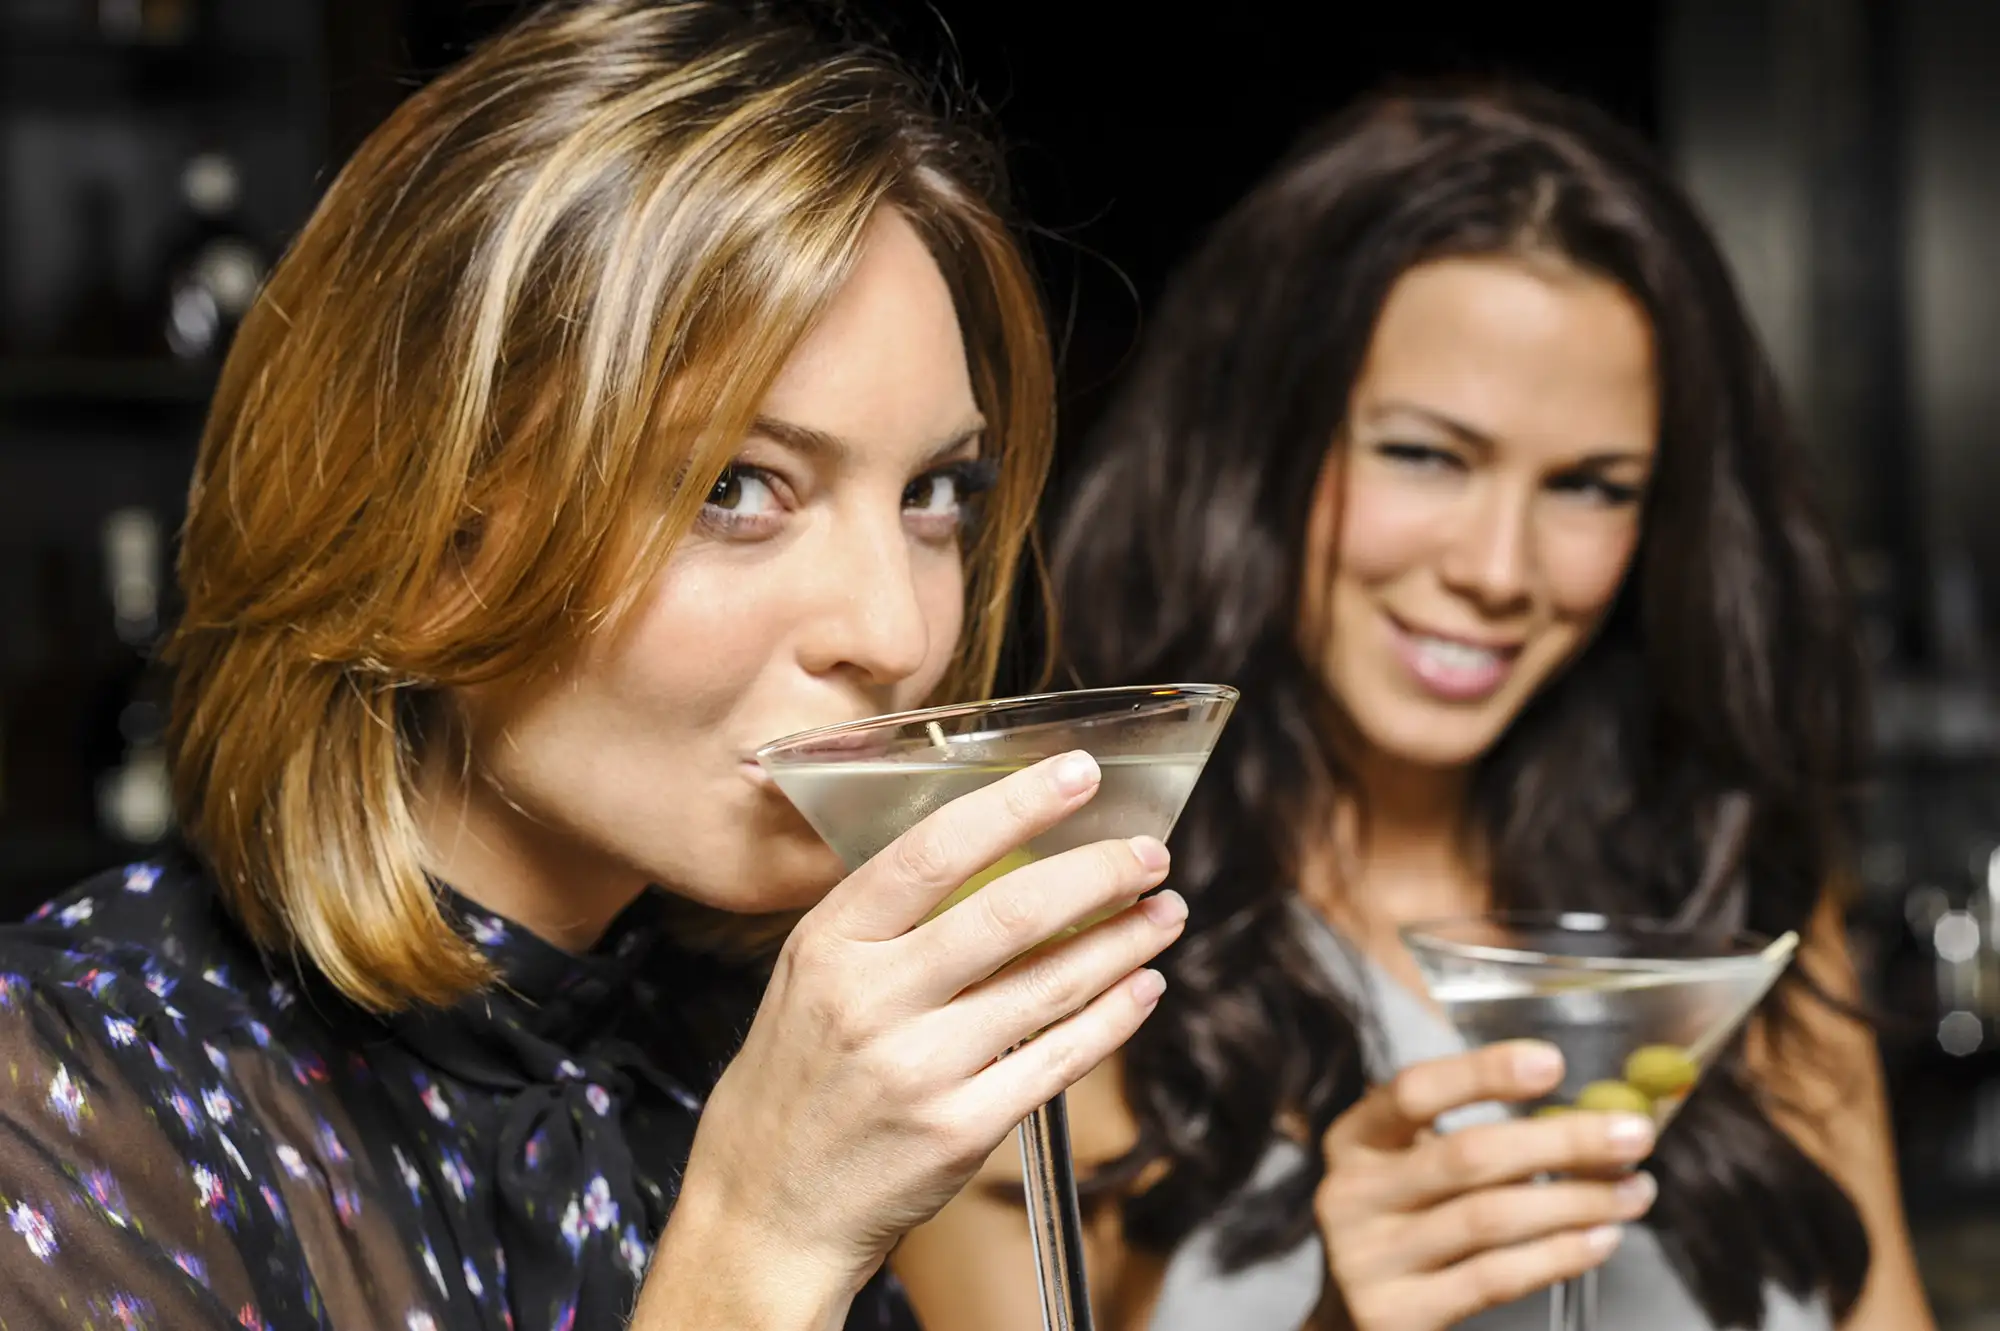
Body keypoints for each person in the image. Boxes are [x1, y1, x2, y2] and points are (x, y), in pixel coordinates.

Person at [0, 4, 1192, 1328]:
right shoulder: (60, 1098)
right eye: (738, 485)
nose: (899, 633)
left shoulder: (752, 1050)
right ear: (424, 527)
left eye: (935, 492)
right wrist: (760, 1238)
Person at [891, 83, 1936, 1330]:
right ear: (1258, 445)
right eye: (1424, 454)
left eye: (1592, 486)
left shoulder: (1728, 886)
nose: (1498, 569)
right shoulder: (1042, 927)